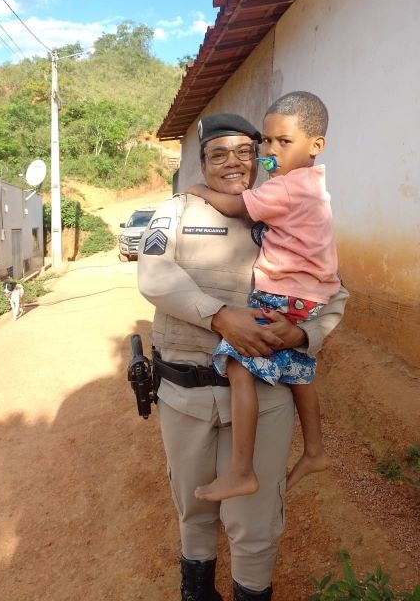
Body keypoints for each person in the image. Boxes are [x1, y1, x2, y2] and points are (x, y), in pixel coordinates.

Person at [137, 111, 348, 601]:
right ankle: (197, 593)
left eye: (244, 152)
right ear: (201, 163)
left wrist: (302, 335)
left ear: (259, 158)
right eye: (218, 154)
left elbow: (333, 291)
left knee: (256, 523)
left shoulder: (285, 206)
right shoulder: (177, 211)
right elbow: (154, 276)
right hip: (186, 396)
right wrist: (219, 317)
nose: (233, 162)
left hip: (266, 397)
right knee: (194, 510)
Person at [186, 92, 338, 502]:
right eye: (266, 141)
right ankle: (315, 451)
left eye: (283, 142)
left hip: (283, 295)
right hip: (309, 298)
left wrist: (198, 190)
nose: (270, 151)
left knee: (238, 364)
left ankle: (241, 470)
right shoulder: (313, 184)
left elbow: (236, 206)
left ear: (315, 145)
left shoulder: (285, 188)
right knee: (301, 373)